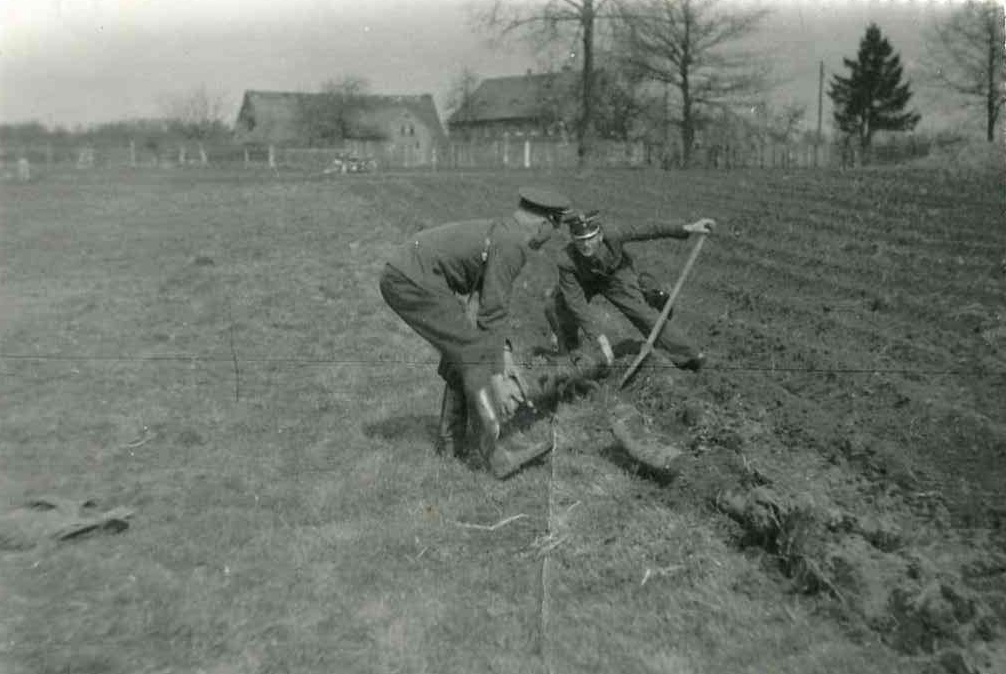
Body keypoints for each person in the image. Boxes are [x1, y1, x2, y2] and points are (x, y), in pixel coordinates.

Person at [379, 187, 571, 474]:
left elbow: (482, 306)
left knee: (467, 349)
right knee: (472, 353)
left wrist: (501, 354)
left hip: (408, 273)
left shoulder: (505, 231)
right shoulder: (513, 244)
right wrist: (498, 377)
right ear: (545, 224)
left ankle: (450, 443)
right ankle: (495, 453)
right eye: (555, 228)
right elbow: (493, 312)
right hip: (410, 279)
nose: (553, 237)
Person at [545, 210, 715, 371]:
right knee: (560, 308)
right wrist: (598, 338)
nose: (586, 244)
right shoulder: (565, 260)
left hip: (615, 276)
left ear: (600, 235)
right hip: (583, 281)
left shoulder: (614, 233)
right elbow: (577, 305)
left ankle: (690, 355)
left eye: (590, 238)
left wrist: (689, 228)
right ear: (573, 240)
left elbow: (649, 229)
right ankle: (570, 356)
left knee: (643, 314)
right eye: (580, 239)